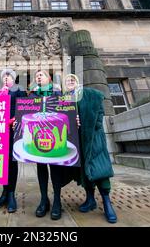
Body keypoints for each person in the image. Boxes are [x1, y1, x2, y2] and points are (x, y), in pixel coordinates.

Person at [63, 74, 118, 224]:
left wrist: (87, 122)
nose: (69, 82)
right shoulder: (65, 100)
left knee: (100, 169)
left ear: (78, 82)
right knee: (84, 172)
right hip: (77, 139)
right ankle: (90, 199)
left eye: (72, 80)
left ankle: (107, 203)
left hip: (93, 138)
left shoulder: (91, 94)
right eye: (67, 81)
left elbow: (99, 114)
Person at [27, 70, 72, 221]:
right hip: (37, 137)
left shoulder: (58, 93)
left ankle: (57, 201)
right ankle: (44, 199)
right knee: (41, 167)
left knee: (55, 168)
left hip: (55, 136)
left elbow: (68, 111)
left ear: (49, 78)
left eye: (42, 74)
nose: (38, 76)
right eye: (36, 75)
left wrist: (75, 118)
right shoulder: (32, 95)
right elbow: (25, 113)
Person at [0, 68, 27, 213]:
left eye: (8, 76)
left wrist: (16, 119)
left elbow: (24, 107)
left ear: (13, 78)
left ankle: (11, 194)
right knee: (2, 161)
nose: (6, 78)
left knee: (12, 161)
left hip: (13, 129)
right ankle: (4, 193)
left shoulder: (19, 90)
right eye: (3, 77)